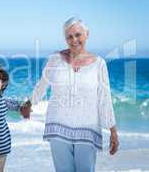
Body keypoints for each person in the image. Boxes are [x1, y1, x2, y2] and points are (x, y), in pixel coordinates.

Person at [28, 17, 119, 172]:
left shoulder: (99, 64)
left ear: (87, 34)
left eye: (78, 35)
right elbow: (42, 84)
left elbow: (105, 98)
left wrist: (113, 130)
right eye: (69, 36)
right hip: (58, 126)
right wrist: (29, 103)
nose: (74, 40)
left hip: (87, 128)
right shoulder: (55, 59)